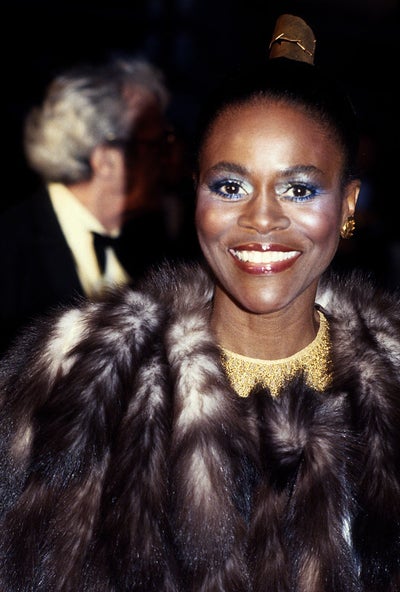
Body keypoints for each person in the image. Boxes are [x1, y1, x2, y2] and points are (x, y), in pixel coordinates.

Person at [0, 14, 399, 592]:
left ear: (348, 204)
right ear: (196, 197)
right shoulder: (76, 388)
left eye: (299, 188)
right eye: (230, 186)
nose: (262, 219)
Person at [0, 54, 187, 356]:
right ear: (106, 160)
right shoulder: (10, 248)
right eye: (158, 143)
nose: (171, 158)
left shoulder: (153, 243)